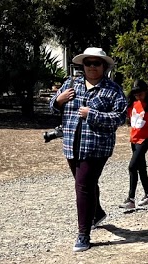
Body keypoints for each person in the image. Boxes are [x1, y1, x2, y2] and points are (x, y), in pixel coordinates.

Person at [49, 47, 127, 253]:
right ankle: (97, 212)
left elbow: (120, 117)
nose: (92, 67)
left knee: (83, 185)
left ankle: (83, 234)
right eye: (88, 63)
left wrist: (92, 114)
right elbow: (52, 106)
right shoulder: (70, 84)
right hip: (71, 144)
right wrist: (58, 100)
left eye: (96, 63)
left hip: (97, 146)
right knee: (85, 183)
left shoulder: (113, 89)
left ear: (104, 66)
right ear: (82, 65)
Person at [121, 80, 148, 211]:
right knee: (141, 168)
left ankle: (130, 199)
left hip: (144, 140)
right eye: (135, 94)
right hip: (133, 140)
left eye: (140, 94)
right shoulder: (132, 104)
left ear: (146, 92)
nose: (138, 97)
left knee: (132, 167)